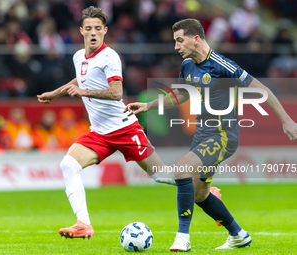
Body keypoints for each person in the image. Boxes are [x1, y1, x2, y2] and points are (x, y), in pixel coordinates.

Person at [124, 18, 297, 252]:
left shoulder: (221, 64)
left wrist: (286, 121)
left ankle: (182, 238)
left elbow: (262, 90)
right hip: (202, 135)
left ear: (196, 39)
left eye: (179, 40)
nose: (176, 47)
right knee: (199, 194)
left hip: (223, 136)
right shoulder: (187, 65)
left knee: (182, 169)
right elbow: (182, 95)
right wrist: (148, 105)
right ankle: (238, 235)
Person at [36, 6, 172, 240]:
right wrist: (55, 93)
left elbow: (117, 92)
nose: (93, 33)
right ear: (81, 31)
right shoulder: (79, 56)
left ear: (105, 31)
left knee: (161, 175)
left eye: (98, 29)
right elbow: (80, 78)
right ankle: (83, 224)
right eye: (88, 29)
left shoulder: (109, 57)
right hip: (99, 133)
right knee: (69, 165)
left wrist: (83, 91)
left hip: (124, 128)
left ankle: (204, 187)